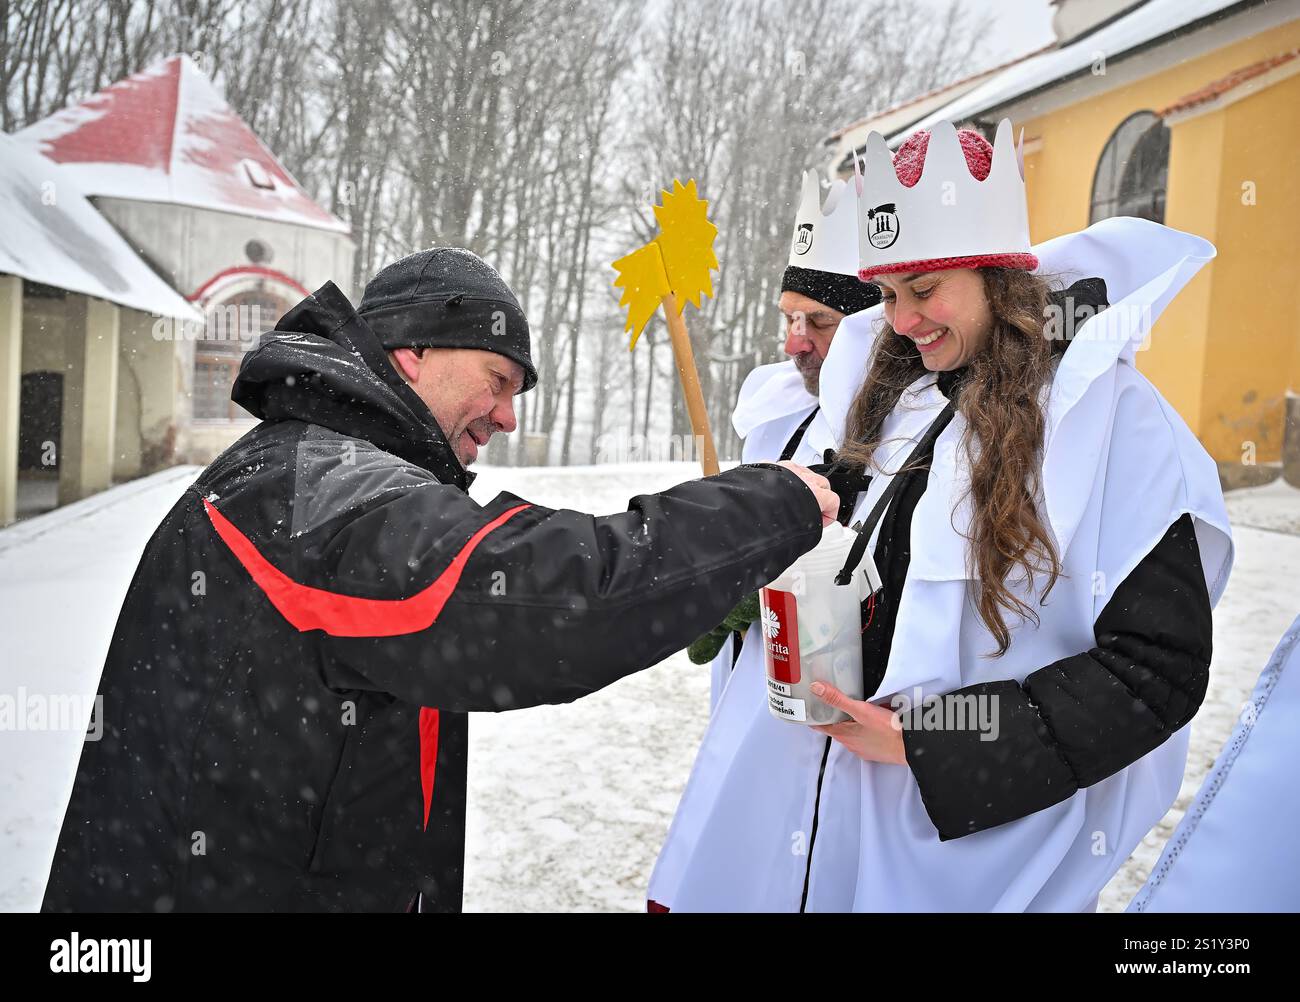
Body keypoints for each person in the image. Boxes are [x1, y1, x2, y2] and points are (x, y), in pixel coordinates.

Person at [41, 247, 839, 913]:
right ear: (413, 350)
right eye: (497, 378)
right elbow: (534, 599)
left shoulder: (318, 465)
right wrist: (768, 504)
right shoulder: (312, 487)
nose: (507, 416)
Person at [649, 120, 1234, 912]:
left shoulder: (1116, 422)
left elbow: (1155, 672)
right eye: (888, 295)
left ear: (1000, 276)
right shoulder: (895, 393)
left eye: (925, 290)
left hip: (974, 849)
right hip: (826, 817)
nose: (902, 320)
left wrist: (931, 744)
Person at [688, 171, 880, 709]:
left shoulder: (920, 428)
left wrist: (779, 576)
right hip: (756, 695)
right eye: (790, 318)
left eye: (819, 320)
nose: (795, 342)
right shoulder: (780, 420)